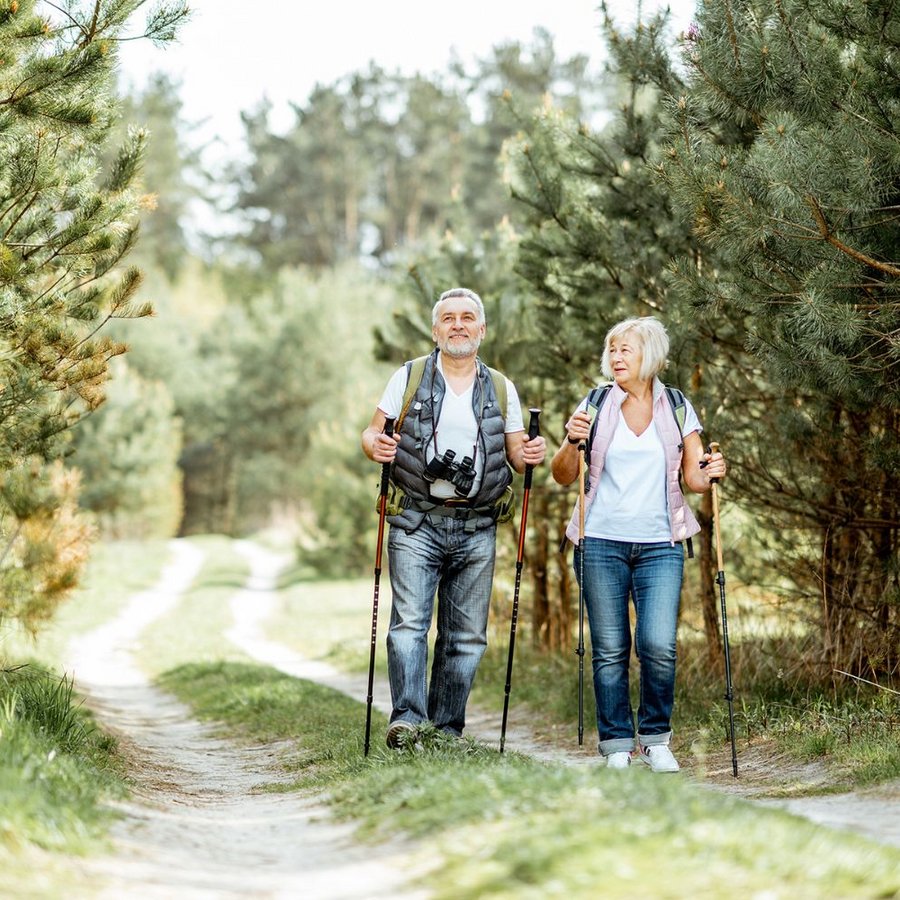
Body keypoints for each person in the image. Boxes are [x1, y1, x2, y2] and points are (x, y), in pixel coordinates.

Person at [362, 287, 546, 749]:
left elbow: (517, 457)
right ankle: (407, 722)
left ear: (482, 330)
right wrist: (375, 445)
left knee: (465, 637)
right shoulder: (408, 376)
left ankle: (445, 731)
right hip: (415, 523)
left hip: (478, 525)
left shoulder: (502, 387)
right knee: (409, 626)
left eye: (468, 318)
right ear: (435, 329)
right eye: (449, 318)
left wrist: (531, 453)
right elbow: (372, 432)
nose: (458, 325)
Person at [550, 316, 726, 772]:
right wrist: (572, 441)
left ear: (649, 354)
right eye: (612, 350)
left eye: (625, 349)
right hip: (600, 541)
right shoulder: (593, 403)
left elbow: (693, 479)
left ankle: (654, 738)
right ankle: (615, 745)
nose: (616, 357)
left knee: (657, 643)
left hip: (659, 545)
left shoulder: (678, 406)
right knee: (609, 649)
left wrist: (711, 472)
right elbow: (562, 473)